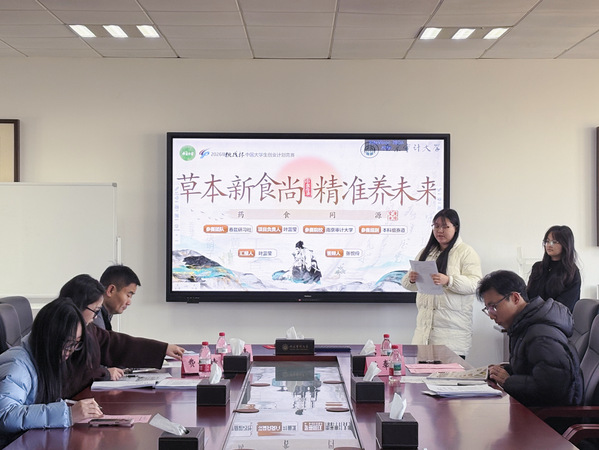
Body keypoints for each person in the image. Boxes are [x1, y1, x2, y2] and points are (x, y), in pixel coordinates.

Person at [59, 274, 185, 398]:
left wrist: (162, 349)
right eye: (95, 311)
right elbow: (68, 377)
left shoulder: (88, 328)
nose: (96, 317)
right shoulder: (57, 330)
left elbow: (115, 344)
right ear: (78, 306)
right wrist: (104, 373)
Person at [0, 298, 103, 447]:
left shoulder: (44, 359)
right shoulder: (17, 365)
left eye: (76, 343)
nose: (71, 350)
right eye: (68, 343)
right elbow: (6, 416)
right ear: (49, 337)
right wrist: (66, 414)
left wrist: (70, 407)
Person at [478, 270, 583, 407]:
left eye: (494, 307)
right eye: (488, 309)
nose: (491, 315)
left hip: (549, 417)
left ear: (515, 298)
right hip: (531, 410)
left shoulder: (541, 337)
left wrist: (508, 381)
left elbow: (554, 388)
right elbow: (534, 370)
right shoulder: (523, 326)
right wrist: (505, 371)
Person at [401, 208, 482, 357]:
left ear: (455, 228)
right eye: (436, 226)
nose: (439, 230)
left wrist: (449, 280)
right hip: (423, 335)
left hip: (452, 337)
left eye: (445, 226)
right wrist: (411, 279)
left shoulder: (466, 252)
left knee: (448, 372)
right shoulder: (426, 252)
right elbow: (406, 284)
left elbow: (476, 284)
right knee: (420, 372)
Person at [527, 225, 581, 312]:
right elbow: (529, 296)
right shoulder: (538, 267)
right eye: (547, 241)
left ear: (565, 244)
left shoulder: (571, 272)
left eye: (554, 242)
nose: (549, 245)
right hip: (534, 315)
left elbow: (565, 305)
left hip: (557, 317)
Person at [94, 265, 141, 331]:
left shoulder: (104, 315)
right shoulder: (94, 320)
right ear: (111, 290)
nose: (129, 302)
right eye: (128, 295)